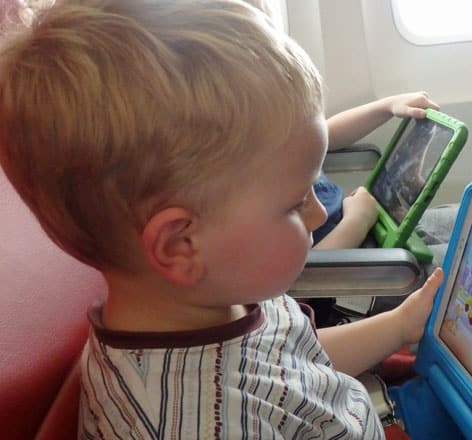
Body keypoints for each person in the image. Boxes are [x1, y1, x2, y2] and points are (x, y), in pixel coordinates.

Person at [0, 0, 443, 438]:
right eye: (294, 204)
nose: (320, 212)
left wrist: (400, 324)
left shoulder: (224, 293)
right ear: (180, 245)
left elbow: (294, 369)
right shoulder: (194, 424)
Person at [313, 92, 439, 249]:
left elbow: (323, 134)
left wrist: (388, 106)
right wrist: (359, 220)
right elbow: (305, 270)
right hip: (356, 259)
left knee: (468, 222)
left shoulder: (285, 145)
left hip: (364, 218)